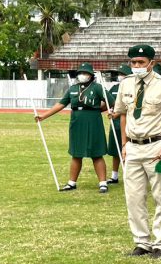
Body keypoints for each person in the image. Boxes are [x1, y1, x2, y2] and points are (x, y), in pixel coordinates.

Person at [113, 44, 161, 258]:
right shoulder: (125, 83)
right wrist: (124, 144)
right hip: (133, 147)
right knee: (134, 197)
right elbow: (123, 114)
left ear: (152, 63)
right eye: (133, 62)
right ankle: (141, 242)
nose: (136, 66)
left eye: (141, 62)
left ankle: (160, 243)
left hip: (157, 146)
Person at [36, 62, 110, 193]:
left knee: (96, 153)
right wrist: (43, 116)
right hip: (76, 122)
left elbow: (111, 101)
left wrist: (99, 110)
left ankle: (103, 183)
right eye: (80, 73)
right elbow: (61, 104)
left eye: (85, 73)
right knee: (76, 153)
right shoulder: (73, 89)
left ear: (91, 75)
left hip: (94, 122)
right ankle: (72, 183)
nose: (82, 75)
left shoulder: (98, 87)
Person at [105, 63, 132, 185]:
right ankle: (114, 176)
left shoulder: (132, 88)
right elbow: (108, 103)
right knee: (115, 150)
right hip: (115, 124)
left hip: (128, 123)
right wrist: (110, 111)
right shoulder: (114, 88)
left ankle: (128, 175)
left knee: (127, 149)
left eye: (123, 74)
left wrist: (117, 113)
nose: (121, 76)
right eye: (120, 74)